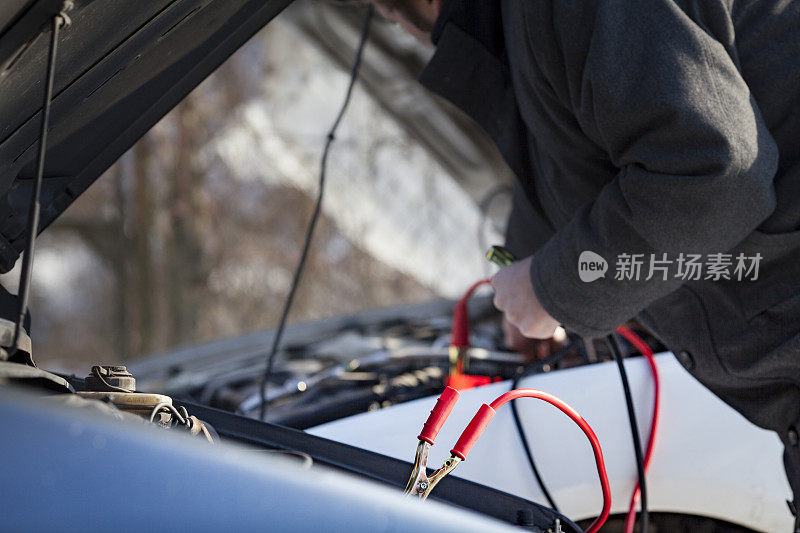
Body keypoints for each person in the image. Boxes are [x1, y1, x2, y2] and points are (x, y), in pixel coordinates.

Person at [368, 0, 800, 526]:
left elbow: (714, 177)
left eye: (383, 10)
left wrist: (551, 287)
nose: (390, 21)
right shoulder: (525, 31)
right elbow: (574, 152)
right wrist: (532, 273)